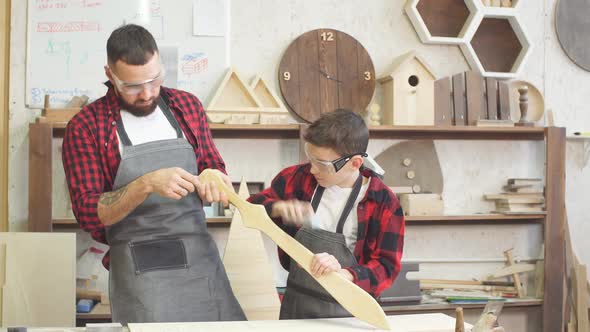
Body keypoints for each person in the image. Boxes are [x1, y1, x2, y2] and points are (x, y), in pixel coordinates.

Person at [62, 24, 245, 324]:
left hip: (200, 259)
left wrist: (214, 177)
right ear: (110, 75)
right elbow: (88, 213)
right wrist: (146, 184)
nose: (147, 93)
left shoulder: (186, 106)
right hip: (140, 269)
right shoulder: (86, 127)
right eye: (133, 86)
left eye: (154, 79)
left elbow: (212, 163)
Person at [248, 109, 405, 319]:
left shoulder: (384, 203)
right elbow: (250, 207)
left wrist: (346, 275)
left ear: (355, 163)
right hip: (297, 307)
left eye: (321, 164)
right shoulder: (297, 178)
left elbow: (386, 268)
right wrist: (276, 208)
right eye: (310, 158)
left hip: (351, 313)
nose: (312, 169)